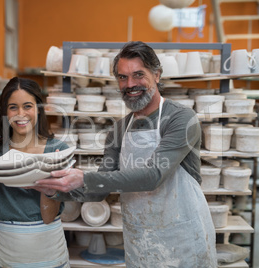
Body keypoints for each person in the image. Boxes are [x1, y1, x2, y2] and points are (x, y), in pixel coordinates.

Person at [36, 41, 217, 267]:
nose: (130, 84)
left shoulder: (181, 118)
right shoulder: (119, 130)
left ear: (157, 75)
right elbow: (99, 190)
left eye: (138, 75)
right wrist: (54, 189)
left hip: (182, 239)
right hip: (141, 242)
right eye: (122, 77)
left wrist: (84, 177)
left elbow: (153, 176)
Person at [0, 77, 70, 267]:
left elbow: (48, 217)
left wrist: (49, 188)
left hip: (50, 246)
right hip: (9, 247)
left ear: (38, 108)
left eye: (28, 106)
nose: (20, 114)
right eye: (13, 107)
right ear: (5, 111)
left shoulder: (57, 151)